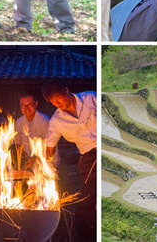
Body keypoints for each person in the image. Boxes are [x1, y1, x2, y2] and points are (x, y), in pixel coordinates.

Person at [43, 81, 96, 241]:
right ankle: (84, 235)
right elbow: (49, 146)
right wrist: (46, 166)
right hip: (88, 156)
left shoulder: (90, 98)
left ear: (66, 90)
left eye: (58, 99)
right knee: (88, 199)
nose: (58, 104)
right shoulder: (57, 120)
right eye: (54, 103)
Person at [13, 92, 58, 167]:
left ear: (36, 104)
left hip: (47, 164)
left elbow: (50, 150)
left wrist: (35, 159)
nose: (26, 108)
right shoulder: (18, 123)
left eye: (29, 105)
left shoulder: (44, 121)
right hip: (29, 165)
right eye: (23, 105)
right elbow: (18, 145)